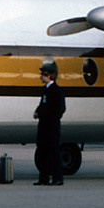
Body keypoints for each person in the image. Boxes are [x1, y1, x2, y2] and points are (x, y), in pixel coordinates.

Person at [34, 58, 66, 186]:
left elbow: (61, 108)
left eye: (44, 75)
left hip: (51, 126)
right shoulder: (45, 90)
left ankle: (57, 178)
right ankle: (44, 178)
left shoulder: (56, 90)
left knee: (53, 152)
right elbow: (42, 104)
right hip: (43, 125)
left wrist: (53, 118)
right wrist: (37, 112)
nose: (42, 77)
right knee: (42, 152)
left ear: (50, 76)